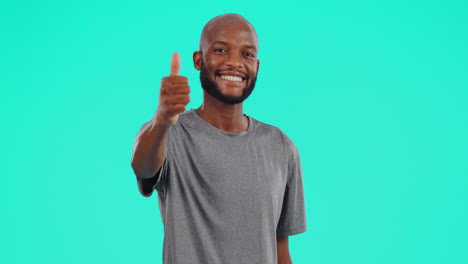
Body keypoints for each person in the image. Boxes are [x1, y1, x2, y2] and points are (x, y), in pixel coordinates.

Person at [131, 13, 306, 264]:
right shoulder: (170, 134)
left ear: (257, 67)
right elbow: (143, 166)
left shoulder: (281, 146)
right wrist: (160, 120)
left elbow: (281, 252)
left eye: (247, 54)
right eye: (221, 50)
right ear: (198, 60)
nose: (235, 62)